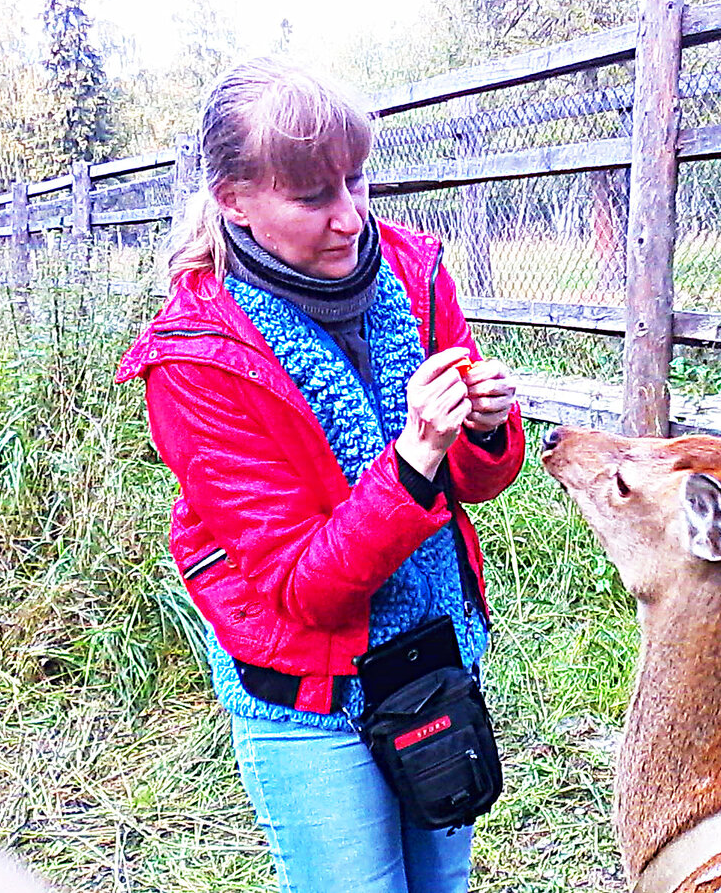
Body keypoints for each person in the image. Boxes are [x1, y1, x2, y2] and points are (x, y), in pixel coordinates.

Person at [116, 56, 525, 893]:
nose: (350, 218)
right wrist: (414, 460)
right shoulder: (199, 358)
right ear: (233, 199)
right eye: (312, 197)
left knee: (442, 883)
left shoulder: (414, 272)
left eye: (357, 180)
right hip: (306, 686)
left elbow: (480, 482)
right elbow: (303, 587)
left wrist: (485, 426)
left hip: (432, 652)